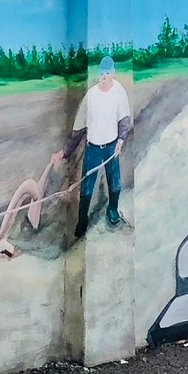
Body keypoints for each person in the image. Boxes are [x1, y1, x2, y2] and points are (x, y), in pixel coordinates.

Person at [53, 55, 132, 238]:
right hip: (93, 149)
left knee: (116, 183)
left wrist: (121, 140)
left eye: (107, 74)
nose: (103, 78)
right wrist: (64, 152)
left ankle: (112, 211)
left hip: (112, 147)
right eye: (101, 74)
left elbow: (124, 119)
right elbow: (78, 129)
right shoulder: (91, 96)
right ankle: (82, 220)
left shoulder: (119, 91)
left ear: (113, 73)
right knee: (86, 188)